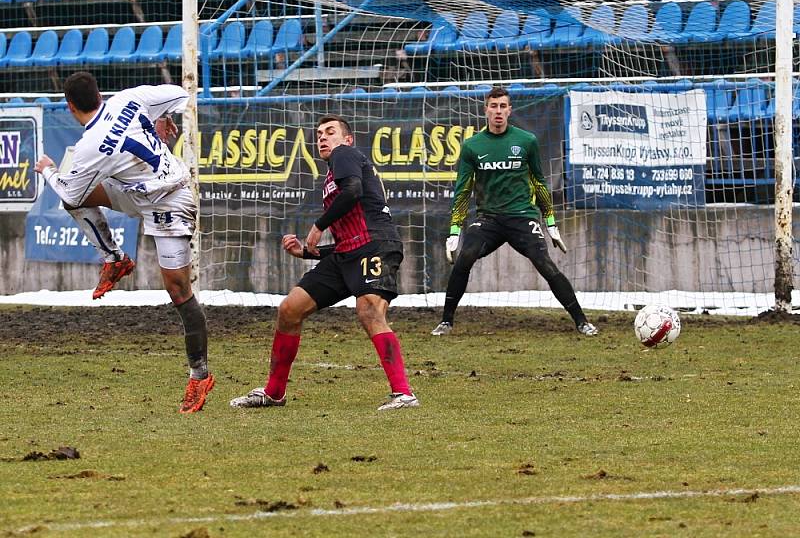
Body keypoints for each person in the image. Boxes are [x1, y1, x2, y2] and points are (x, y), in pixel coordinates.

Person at [33, 72, 214, 414]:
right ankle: (114, 258)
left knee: (178, 291)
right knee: (77, 199)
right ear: (100, 93)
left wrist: (47, 169)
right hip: (138, 194)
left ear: (70, 106)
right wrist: (161, 119)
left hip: (169, 203)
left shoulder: (88, 147)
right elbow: (179, 94)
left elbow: (68, 188)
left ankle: (199, 376)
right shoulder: (130, 97)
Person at [230, 114, 419, 411]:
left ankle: (404, 393)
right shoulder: (331, 177)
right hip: (349, 253)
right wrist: (306, 253)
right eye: (318, 134)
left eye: (330, 132)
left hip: (377, 246)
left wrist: (317, 227)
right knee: (290, 309)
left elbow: (354, 193)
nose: (322, 137)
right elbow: (348, 238)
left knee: (369, 310)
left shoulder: (346, 155)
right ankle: (274, 392)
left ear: (347, 139)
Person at [431, 86, 598, 337]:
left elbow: (540, 183)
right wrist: (454, 230)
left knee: (545, 264)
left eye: (502, 106)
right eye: (493, 106)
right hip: (488, 219)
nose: (498, 111)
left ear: (510, 110)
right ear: (485, 109)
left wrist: (551, 223)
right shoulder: (471, 147)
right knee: (465, 256)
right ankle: (446, 321)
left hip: (523, 217)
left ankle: (582, 321)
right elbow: (463, 190)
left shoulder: (526, 141)